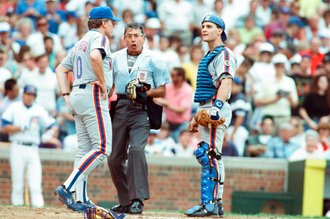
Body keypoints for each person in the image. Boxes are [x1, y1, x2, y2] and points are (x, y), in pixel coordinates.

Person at [54, 6, 120, 213]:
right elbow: (95, 57)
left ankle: (81, 198)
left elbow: (60, 69)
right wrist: (103, 83)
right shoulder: (99, 38)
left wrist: (66, 95)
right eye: (112, 22)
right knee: (102, 148)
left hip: (77, 94)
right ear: (103, 22)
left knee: (84, 149)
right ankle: (67, 187)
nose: (113, 25)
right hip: (92, 93)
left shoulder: (79, 42)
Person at [108, 22, 170, 214]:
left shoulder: (154, 59)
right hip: (120, 107)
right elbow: (108, 86)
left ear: (144, 37)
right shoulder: (114, 57)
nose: (133, 39)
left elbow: (163, 90)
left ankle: (137, 199)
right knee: (114, 159)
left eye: (136, 35)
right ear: (124, 39)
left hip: (142, 108)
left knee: (136, 149)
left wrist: (146, 93)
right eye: (129, 36)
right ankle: (125, 200)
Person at [185, 14, 237, 217]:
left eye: (209, 26)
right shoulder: (209, 54)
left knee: (211, 155)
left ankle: (211, 203)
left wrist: (215, 108)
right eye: (203, 26)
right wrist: (197, 116)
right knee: (208, 155)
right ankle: (214, 202)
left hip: (216, 108)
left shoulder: (224, 53)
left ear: (220, 31)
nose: (204, 29)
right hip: (206, 108)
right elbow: (205, 90)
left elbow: (226, 81)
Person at [1, 84, 57, 207]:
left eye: (32, 95)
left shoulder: (38, 110)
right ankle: (17, 211)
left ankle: (39, 211)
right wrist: (20, 127)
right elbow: (4, 127)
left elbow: (53, 124)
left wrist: (49, 134)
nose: (30, 97)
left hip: (33, 148)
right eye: (28, 94)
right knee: (17, 184)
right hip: (17, 146)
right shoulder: (14, 107)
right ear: (23, 94)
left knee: (35, 184)